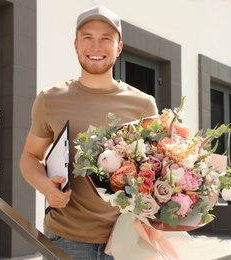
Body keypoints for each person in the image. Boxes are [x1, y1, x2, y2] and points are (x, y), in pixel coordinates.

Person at [20, 5, 158, 260]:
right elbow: (30, 156)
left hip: (126, 238)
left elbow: (155, 169)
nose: (96, 46)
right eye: (87, 38)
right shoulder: (50, 99)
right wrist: (46, 188)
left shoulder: (144, 104)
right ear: (76, 45)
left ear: (118, 47)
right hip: (66, 239)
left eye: (106, 38)